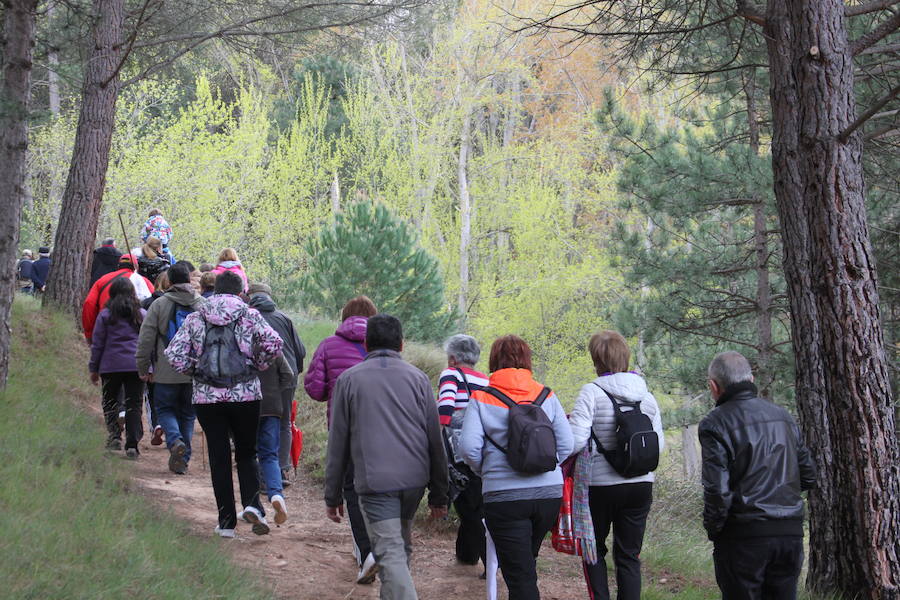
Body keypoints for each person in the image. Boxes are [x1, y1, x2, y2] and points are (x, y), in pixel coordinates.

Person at [324, 313, 449, 600]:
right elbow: (435, 440)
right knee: (399, 546)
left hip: (376, 483)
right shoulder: (419, 379)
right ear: (401, 345)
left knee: (390, 551)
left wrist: (333, 496)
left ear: (366, 344)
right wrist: (439, 494)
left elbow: (338, 445)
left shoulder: (348, 380)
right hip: (414, 481)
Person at [165, 271, 284, 538]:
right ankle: (253, 505)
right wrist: (257, 365)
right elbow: (275, 344)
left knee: (219, 457)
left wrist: (195, 372)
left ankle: (226, 522)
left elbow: (174, 354)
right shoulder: (250, 315)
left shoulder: (197, 316)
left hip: (207, 397)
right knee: (246, 452)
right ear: (242, 292)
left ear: (216, 290)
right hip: (246, 395)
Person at [459, 335, 574, 600]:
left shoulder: (481, 397)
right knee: (525, 563)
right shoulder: (547, 394)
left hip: (504, 496)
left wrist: (486, 472)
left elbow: (467, 448)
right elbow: (566, 445)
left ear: (493, 360)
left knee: (520, 574)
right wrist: (545, 465)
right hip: (548, 495)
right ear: (527, 360)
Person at [699, 351, 816, 600]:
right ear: (751, 380)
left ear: (714, 386)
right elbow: (808, 475)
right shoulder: (783, 417)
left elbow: (717, 490)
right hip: (789, 535)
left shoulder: (715, 423)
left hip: (743, 537)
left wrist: (714, 530)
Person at [567, 330, 665, 600]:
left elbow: (575, 442)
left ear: (596, 359)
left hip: (601, 486)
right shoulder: (647, 396)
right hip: (640, 485)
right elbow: (660, 445)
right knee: (629, 554)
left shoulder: (591, 392)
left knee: (594, 549)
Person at [305, 295, 378, 582]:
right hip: (383, 429)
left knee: (352, 489)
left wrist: (332, 392)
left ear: (344, 316)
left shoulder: (329, 345)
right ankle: (380, 548)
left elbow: (314, 388)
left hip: (344, 427)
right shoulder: (381, 346)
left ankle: (366, 551)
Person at [135, 263, 205, 473]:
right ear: (189, 279)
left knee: (164, 409)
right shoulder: (202, 303)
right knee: (188, 415)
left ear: (170, 281)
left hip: (165, 369)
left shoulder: (159, 304)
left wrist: (142, 366)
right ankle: (182, 461)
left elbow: (146, 338)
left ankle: (175, 441)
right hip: (195, 371)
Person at [438, 334, 489, 569]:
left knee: (466, 504)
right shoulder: (486, 380)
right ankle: (466, 555)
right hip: (482, 448)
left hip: (457, 450)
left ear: (453, 357)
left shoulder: (451, 374)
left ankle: (490, 560)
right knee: (474, 501)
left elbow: (445, 410)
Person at [248, 283, 306, 485]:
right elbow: (300, 351)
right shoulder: (284, 318)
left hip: (258, 378)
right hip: (286, 376)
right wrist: (294, 372)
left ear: (249, 297)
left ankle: (261, 470)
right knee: (283, 423)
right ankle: (281, 469)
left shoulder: (247, 319)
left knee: (256, 421)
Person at [88, 277, 146, 456]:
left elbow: (98, 343)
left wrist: (94, 368)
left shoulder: (105, 315)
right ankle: (132, 444)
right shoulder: (141, 314)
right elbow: (147, 342)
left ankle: (114, 436)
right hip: (135, 365)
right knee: (134, 404)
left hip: (110, 365)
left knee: (110, 401)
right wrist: (148, 367)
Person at [257, 349, 295, 525]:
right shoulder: (272, 348)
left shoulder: (239, 343)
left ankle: (253, 506)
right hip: (272, 406)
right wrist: (274, 390)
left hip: (247, 404)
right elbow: (288, 374)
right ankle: (276, 494)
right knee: (270, 454)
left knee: (248, 454)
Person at [82, 254, 155, 343]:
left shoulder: (103, 280)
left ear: (118, 265)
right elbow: (153, 305)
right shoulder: (143, 282)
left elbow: (89, 304)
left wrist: (89, 333)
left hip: (106, 330)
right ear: (136, 267)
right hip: (135, 335)